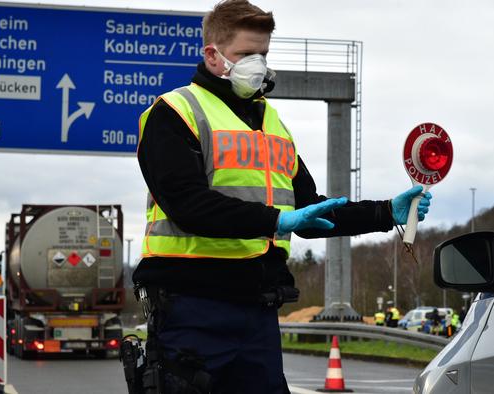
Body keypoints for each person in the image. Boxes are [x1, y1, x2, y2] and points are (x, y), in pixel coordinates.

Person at [131, 1, 432, 393]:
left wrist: (386, 212)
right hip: (192, 306)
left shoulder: (272, 125)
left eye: (263, 55)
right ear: (212, 55)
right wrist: (276, 220)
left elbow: (312, 210)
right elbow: (187, 204)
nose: (257, 64)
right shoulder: (174, 113)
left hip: (257, 310)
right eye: (245, 55)